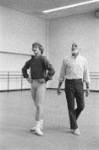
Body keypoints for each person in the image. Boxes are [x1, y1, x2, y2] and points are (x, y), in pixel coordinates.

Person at [22, 42, 55, 136]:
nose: (34, 48)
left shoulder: (43, 59)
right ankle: (40, 125)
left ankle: (37, 127)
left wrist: (46, 79)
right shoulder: (31, 61)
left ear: (40, 49)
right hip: (33, 83)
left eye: (36, 47)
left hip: (41, 84)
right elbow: (23, 69)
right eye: (33, 47)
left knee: (39, 105)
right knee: (37, 106)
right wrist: (27, 77)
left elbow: (52, 70)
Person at [57, 42, 90, 136]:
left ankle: (72, 120)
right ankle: (75, 127)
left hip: (79, 83)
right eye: (72, 45)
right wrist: (59, 86)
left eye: (75, 45)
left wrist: (87, 87)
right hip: (69, 84)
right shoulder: (66, 59)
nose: (73, 46)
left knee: (81, 106)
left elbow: (86, 73)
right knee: (71, 106)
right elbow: (62, 73)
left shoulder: (84, 60)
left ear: (79, 49)